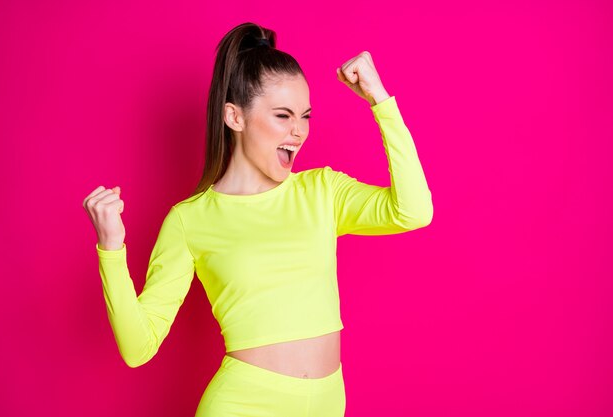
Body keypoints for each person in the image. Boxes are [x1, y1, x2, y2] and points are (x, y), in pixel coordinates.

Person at [82, 21, 433, 417]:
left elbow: (413, 211)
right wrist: (111, 249)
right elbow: (138, 346)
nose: (299, 132)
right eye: (283, 115)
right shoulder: (191, 219)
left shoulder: (322, 191)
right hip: (243, 405)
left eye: (305, 116)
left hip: (328, 404)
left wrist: (379, 99)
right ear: (235, 117)